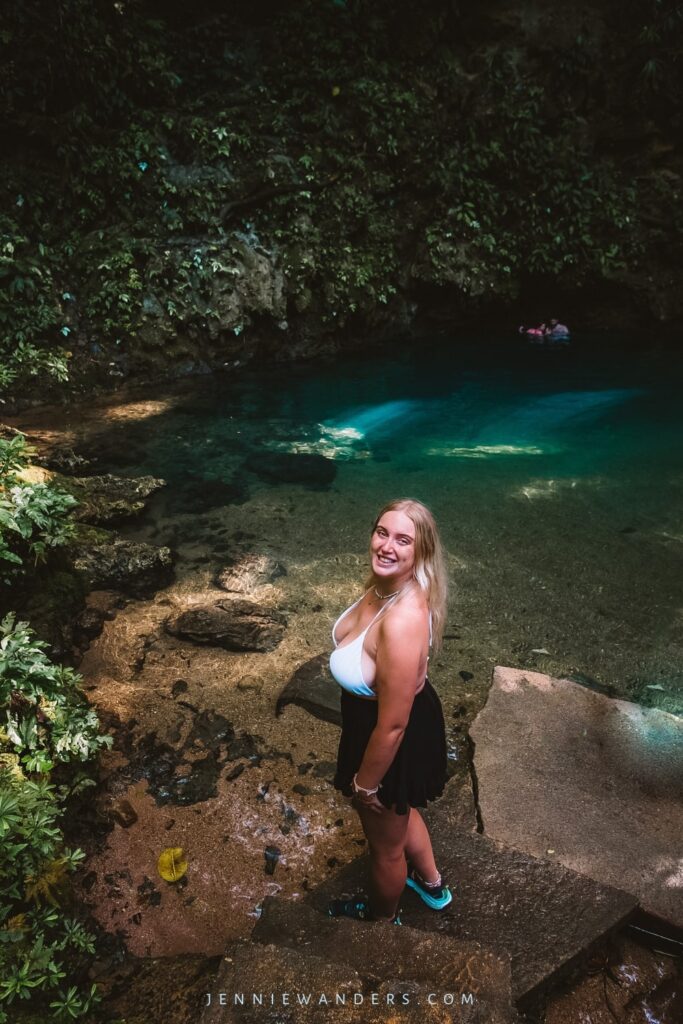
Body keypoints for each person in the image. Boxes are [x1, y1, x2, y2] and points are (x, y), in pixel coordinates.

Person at [328, 498, 452, 924]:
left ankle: (381, 921)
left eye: (403, 540)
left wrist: (365, 785)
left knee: (384, 847)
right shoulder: (389, 585)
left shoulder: (401, 619)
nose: (387, 546)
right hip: (379, 719)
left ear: (421, 552)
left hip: (389, 732)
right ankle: (433, 886)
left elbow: (395, 724)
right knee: (402, 809)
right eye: (383, 532)